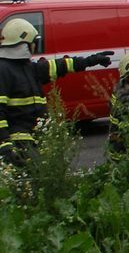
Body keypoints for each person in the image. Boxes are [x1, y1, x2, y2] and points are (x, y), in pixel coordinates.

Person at [0, 18, 113, 164]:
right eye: (34, 42)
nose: (35, 46)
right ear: (25, 44)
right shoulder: (3, 70)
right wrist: (4, 144)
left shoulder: (28, 68)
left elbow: (60, 65)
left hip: (34, 137)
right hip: (18, 142)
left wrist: (91, 60)